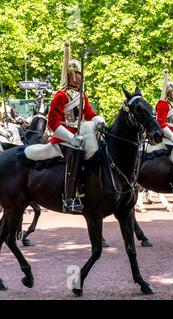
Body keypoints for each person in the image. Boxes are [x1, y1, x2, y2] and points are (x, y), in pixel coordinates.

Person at [47, 41, 106, 213]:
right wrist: (72, 138)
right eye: (79, 74)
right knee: (76, 154)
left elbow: (88, 114)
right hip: (64, 138)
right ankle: (69, 197)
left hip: (80, 134)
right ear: (71, 75)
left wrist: (98, 120)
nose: (81, 77)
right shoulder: (60, 96)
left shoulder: (81, 95)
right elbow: (53, 123)